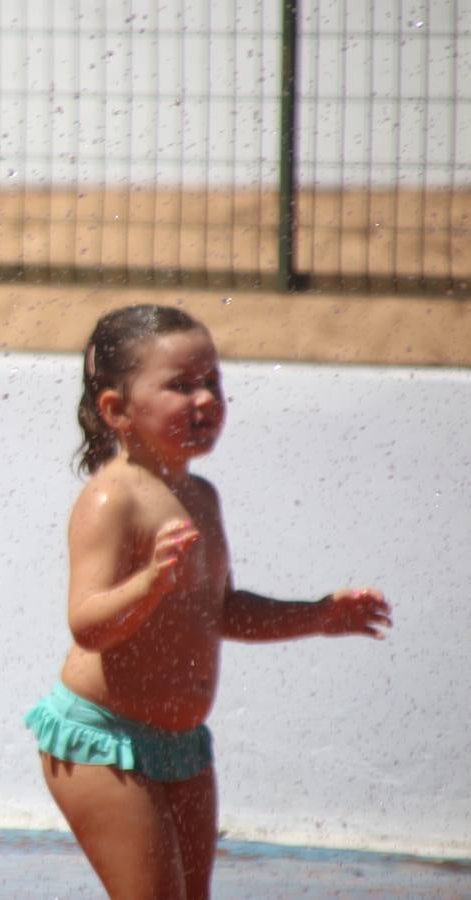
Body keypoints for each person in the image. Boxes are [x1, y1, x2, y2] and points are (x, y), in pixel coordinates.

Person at [25, 304, 393, 899]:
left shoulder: (201, 496)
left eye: (212, 383)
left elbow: (220, 612)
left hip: (183, 745)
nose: (205, 400)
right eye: (180, 386)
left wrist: (319, 615)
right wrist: (149, 584)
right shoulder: (113, 499)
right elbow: (87, 624)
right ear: (117, 409)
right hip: (102, 741)